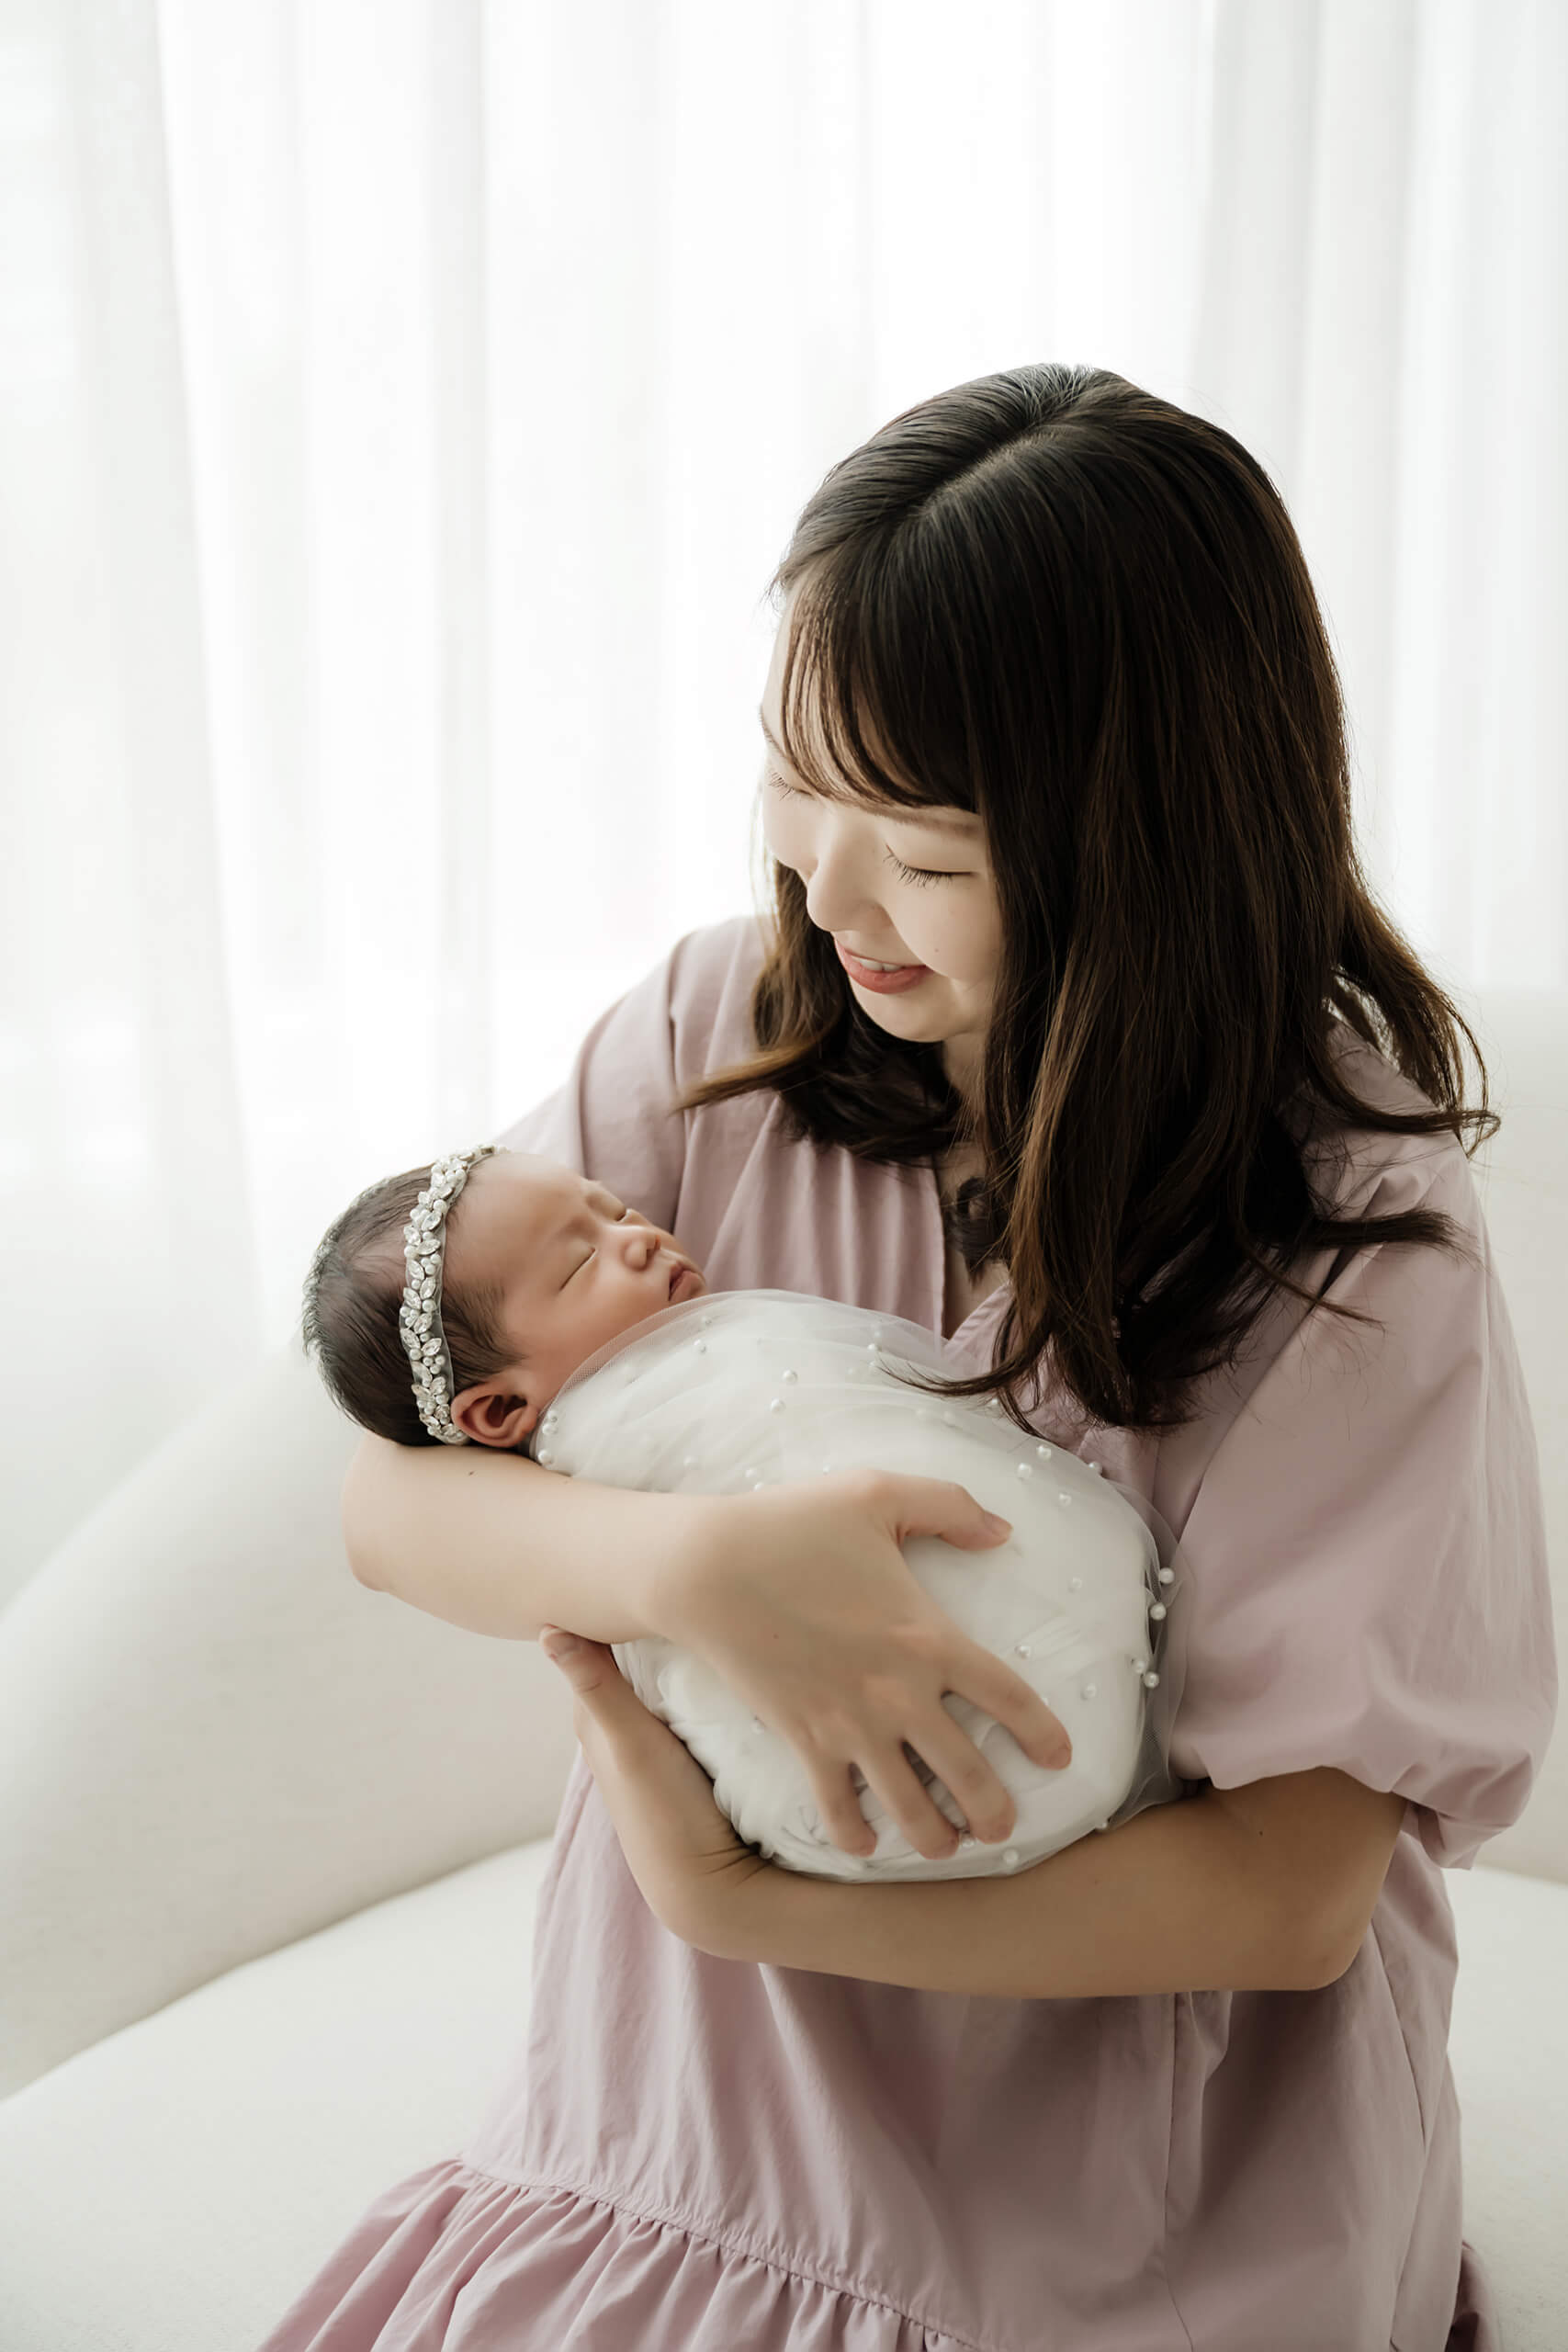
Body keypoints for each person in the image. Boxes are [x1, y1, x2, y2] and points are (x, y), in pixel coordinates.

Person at [254, 363, 1555, 2351]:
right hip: (684, 2133)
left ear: (1147, 835)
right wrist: (687, 1573)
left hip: (1123, 2191)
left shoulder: (1348, 1237)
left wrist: (756, 1906)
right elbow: (394, 1492)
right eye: (796, 778)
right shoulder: (719, 1039)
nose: (823, 886)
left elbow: (1293, 1889)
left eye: (924, 843)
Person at [297, 1144, 1187, 1880]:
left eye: (613, 1209)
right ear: (495, 1415)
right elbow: (371, 1512)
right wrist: (689, 1565)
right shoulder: (589, 1461)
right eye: (580, 1263)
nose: (637, 1237)